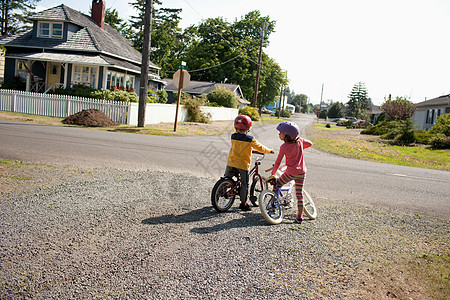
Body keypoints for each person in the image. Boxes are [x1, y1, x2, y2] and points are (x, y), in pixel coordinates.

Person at [225, 115, 274, 211]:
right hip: (242, 165)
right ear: (248, 127)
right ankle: (243, 203)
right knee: (245, 183)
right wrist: (269, 151)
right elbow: (260, 148)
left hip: (231, 163)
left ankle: (221, 190)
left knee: (227, 177)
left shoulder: (233, 136)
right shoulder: (250, 139)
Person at [270, 121, 313, 223]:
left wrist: (273, 174)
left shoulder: (284, 147)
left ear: (287, 135)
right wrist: (300, 147)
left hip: (290, 173)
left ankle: (272, 205)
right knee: (299, 194)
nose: (279, 134)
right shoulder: (300, 141)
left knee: (277, 185)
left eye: (280, 133)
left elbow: (277, 162)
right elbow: (311, 143)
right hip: (302, 173)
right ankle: (299, 216)